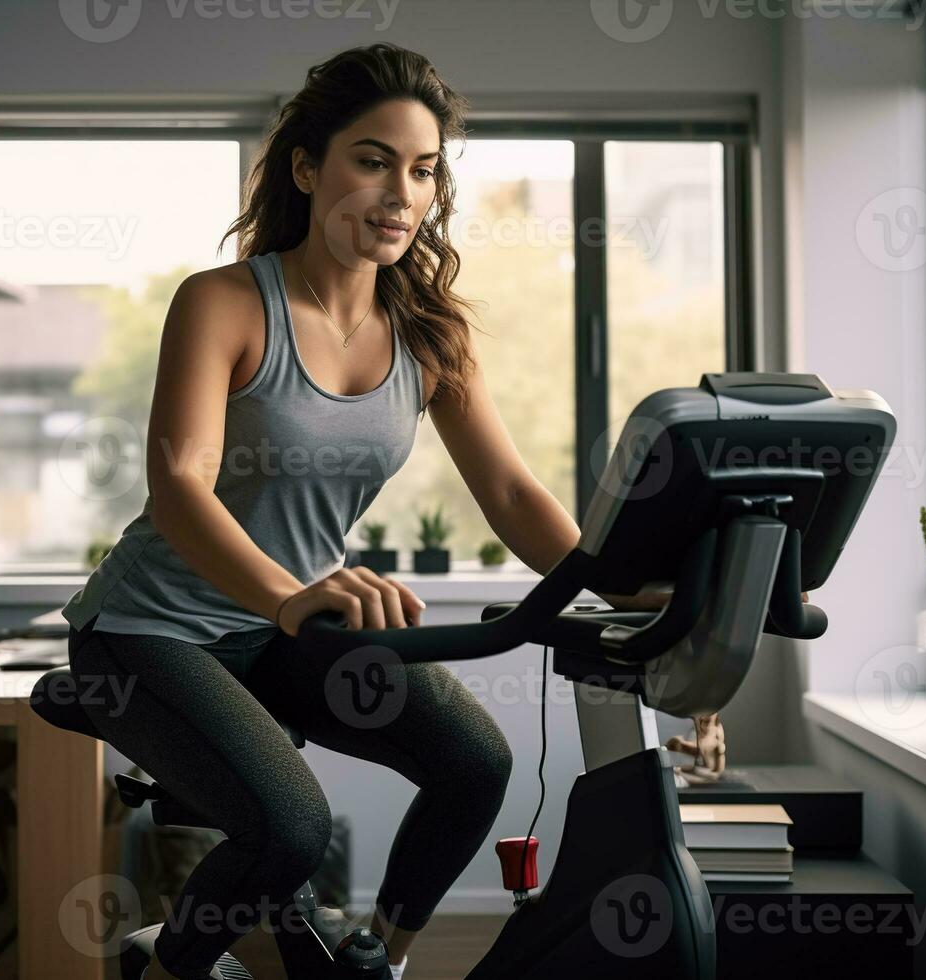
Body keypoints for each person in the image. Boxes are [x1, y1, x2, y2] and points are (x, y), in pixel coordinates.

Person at [61, 42, 704, 980]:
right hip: (153, 630)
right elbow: (180, 487)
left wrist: (620, 587)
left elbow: (515, 494)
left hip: (284, 628)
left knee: (472, 765)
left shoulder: (429, 332)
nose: (402, 192)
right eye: (373, 160)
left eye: (423, 168)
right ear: (308, 167)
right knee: (291, 826)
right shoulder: (226, 304)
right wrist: (289, 598)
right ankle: (165, 966)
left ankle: (378, 961)